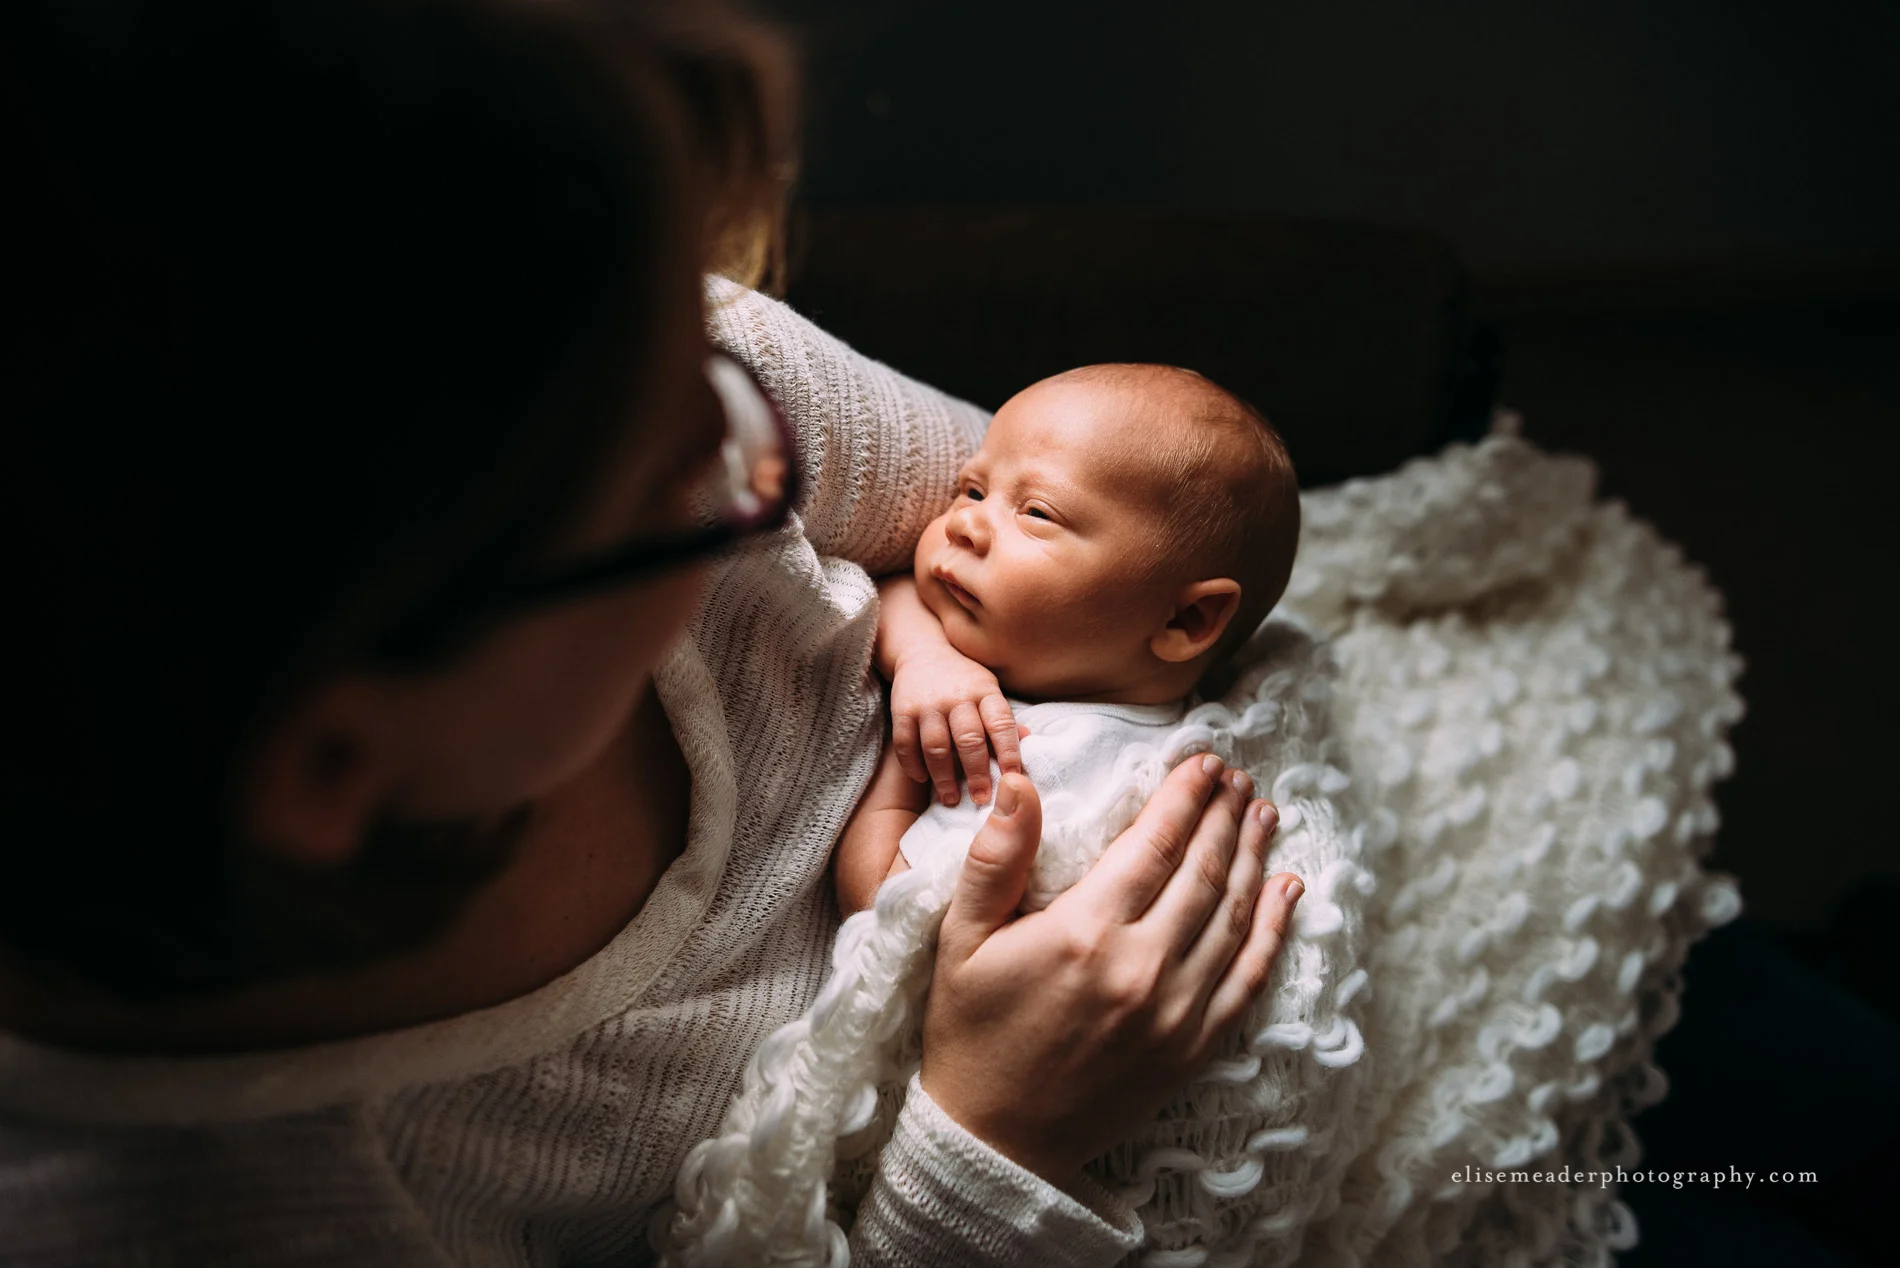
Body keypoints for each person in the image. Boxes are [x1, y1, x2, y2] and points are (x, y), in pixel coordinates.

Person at [0, 2, 1300, 1264]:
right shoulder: (257, 1212)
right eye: (671, 487)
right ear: (334, 769)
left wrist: (927, 626)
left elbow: (1129, 515)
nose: (762, 458)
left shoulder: (640, 350)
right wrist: (985, 1146)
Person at [834, 362, 1305, 915]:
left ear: (1187, 620)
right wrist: (924, 655)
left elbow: (882, 909)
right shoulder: (1031, 650)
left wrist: (902, 764)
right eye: (973, 489)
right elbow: (892, 591)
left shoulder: (1056, 765)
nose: (965, 523)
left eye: (1036, 512)